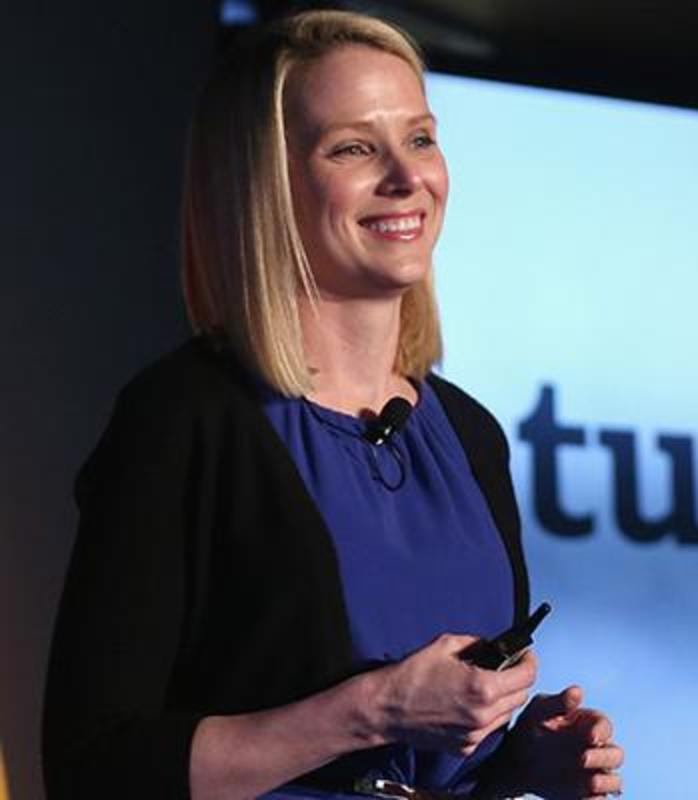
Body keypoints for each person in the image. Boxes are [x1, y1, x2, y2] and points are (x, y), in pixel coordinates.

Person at [42, 10, 623, 800]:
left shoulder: (469, 434)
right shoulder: (185, 420)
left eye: (420, 138)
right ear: (265, 186)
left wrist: (519, 767)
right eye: (354, 148)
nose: (408, 177)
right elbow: (93, 768)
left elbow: (434, 768)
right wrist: (375, 709)